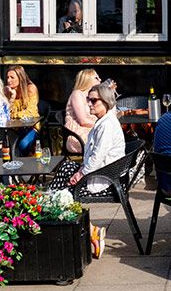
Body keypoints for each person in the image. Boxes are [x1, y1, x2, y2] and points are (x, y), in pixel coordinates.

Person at [51, 83, 124, 258]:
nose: (89, 104)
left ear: (105, 102)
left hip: (104, 179)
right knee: (65, 171)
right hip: (101, 173)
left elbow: (98, 157)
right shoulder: (103, 120)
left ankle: (58, 231)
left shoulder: (107, 125)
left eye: (93, 101)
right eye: (88, 100)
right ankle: (88, 230)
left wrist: (81, 173)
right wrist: (81, 170)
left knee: (61, 194)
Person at [5, 65, 40, 156]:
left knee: (22, 145)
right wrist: (12, 97)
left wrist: (13, 114)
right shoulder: (7, 91)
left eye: (12, 77)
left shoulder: (30, 89)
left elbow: (30, 112)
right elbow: (4, 113)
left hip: (30, 127)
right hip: (13, 128)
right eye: (8, 77)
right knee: (5, 146)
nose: (9, 80)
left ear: (20, 78)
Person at [65, 68, 102, 153]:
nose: (100, 79)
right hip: (78, 134)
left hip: (91, 129)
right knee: (105, 138)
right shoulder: (77, 94)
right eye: (96, 78)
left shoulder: (92, 95)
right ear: (87, 79)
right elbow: (83, 121)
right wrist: (102, 124)